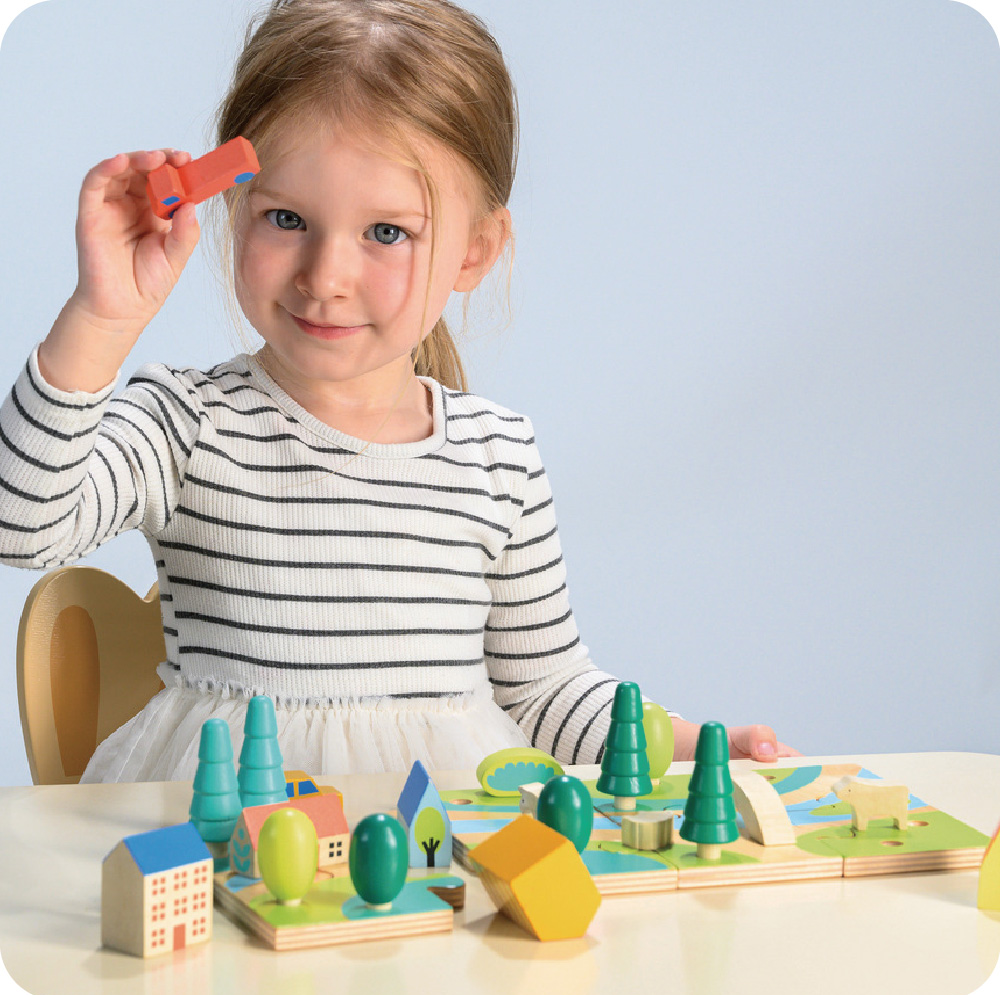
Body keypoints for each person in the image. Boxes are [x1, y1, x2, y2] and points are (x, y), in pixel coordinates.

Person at [0, 0, 798, 781]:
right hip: (230, 838)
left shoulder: (498, 456)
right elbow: (21, 527)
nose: (326, 277)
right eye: (286, 219)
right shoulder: (188, 424)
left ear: (474, 251)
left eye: (387, 233)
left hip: (435, 844)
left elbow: (544, 692)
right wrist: (102, 316)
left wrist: (691, 749)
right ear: (235, 205)